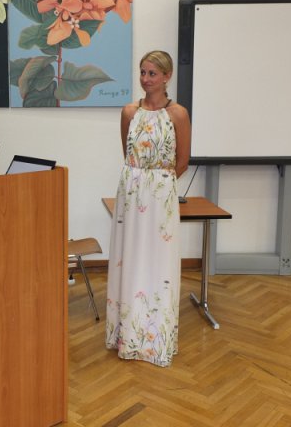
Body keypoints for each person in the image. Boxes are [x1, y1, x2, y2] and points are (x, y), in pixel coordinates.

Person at [105, 50, 191, 367]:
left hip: (160, 196)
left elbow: (183, 161)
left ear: (167, 76)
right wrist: (140, 182)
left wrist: (158, 186)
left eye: (152, 73)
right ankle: (127, 335)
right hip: (131, 192)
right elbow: (127, 154)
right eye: (142, 72)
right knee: (129, 258)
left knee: (158, 261)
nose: (145, 79)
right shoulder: (129, 112)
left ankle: (154, 339)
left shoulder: (178, 114)